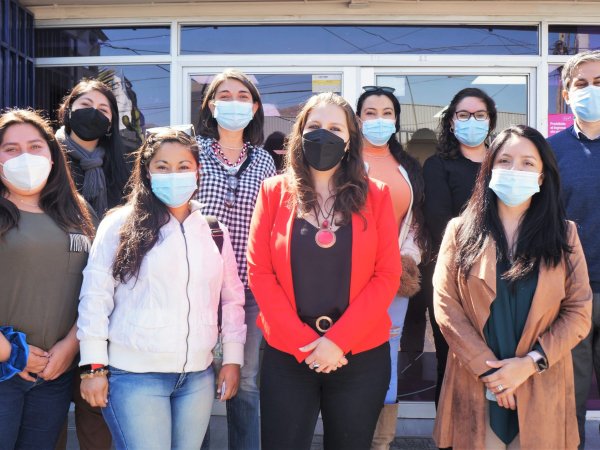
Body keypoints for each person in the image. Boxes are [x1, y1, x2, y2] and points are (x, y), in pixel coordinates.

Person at [247, 92, 402, 450]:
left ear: (350, 140)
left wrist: (337, 342)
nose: (324, 135)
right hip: (288, 354)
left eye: (335, 128)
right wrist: (305, 345)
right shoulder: (273, 192)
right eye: (315, 126)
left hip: (359, 356)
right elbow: (260, 273)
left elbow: (386, 275)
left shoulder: (376, 195)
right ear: (300, 134)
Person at [76, 128, 246, 449]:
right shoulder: (120, 225)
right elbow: (95, 297)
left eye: (183, 166)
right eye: (163, 167)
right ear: (146, 171)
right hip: (135, 376)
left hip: (197, 376)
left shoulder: (213, 231)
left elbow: (232, 299)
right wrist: (93, 367)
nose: (174, 175)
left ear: (197, 170)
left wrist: (232, 359)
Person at [433, 125, 592, 449]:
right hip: (476, 382)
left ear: (542, 176)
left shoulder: (565, 234)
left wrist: (529, 364)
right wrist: (491, 373)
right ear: (489, 169)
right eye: (504, 161)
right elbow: (445, 307)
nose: (515, 170)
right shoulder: (460, 231)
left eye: (527, 163)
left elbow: (578, 312)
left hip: (540, 380)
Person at [0, 109, 95, 449]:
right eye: (11, 149)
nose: (24, 157)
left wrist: (70, 346)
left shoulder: (78, 212)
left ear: (52, 156)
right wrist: (12, 351)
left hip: (53, 373)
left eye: (35, 147)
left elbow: (96, 289)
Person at [196, 68, 276, 450]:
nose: (234, 103)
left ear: (255, 107)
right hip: (196, 285)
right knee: (195, 375)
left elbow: (271, 224)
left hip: (248, 288)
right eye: (224, 96)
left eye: (243, 96)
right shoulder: (191, 151)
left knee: (244, 379)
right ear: (210, 105)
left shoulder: (264, 161)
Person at [355, 85, 427, 450]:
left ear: (396, 120)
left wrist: (408, 259)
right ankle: (350, 433)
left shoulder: (407, 166)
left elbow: (415, 222)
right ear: (358, 119)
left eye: (387, 113)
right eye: (370, 113)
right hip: (349, 276)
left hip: (393, 277)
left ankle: (381, 442)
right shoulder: (345, 161)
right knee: (351, 349)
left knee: (387, 351)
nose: (379, 120)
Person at [422, 87, 498, 406]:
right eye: (464, 115)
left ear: (490, 121)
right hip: (454, 276)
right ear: (452, 122)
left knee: (498, 359)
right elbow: (440, 221)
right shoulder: (437, 165)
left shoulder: (503, 162)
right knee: (453, 360)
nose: (472, 121)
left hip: (503, 276)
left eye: (480, 115)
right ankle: (449, 430)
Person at [547, 49, 600, 449]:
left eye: (599, 82)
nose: (591, 90)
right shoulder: (550, 152)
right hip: (569, 291)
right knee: (569, 395)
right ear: (566, 95)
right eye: (581, 83)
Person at [56, 78, 130, 218]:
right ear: (69, 110)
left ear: (110, 123)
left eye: (103, 109)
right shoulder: (50, 155)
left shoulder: (123, 164)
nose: (93, 112)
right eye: (85, 104)